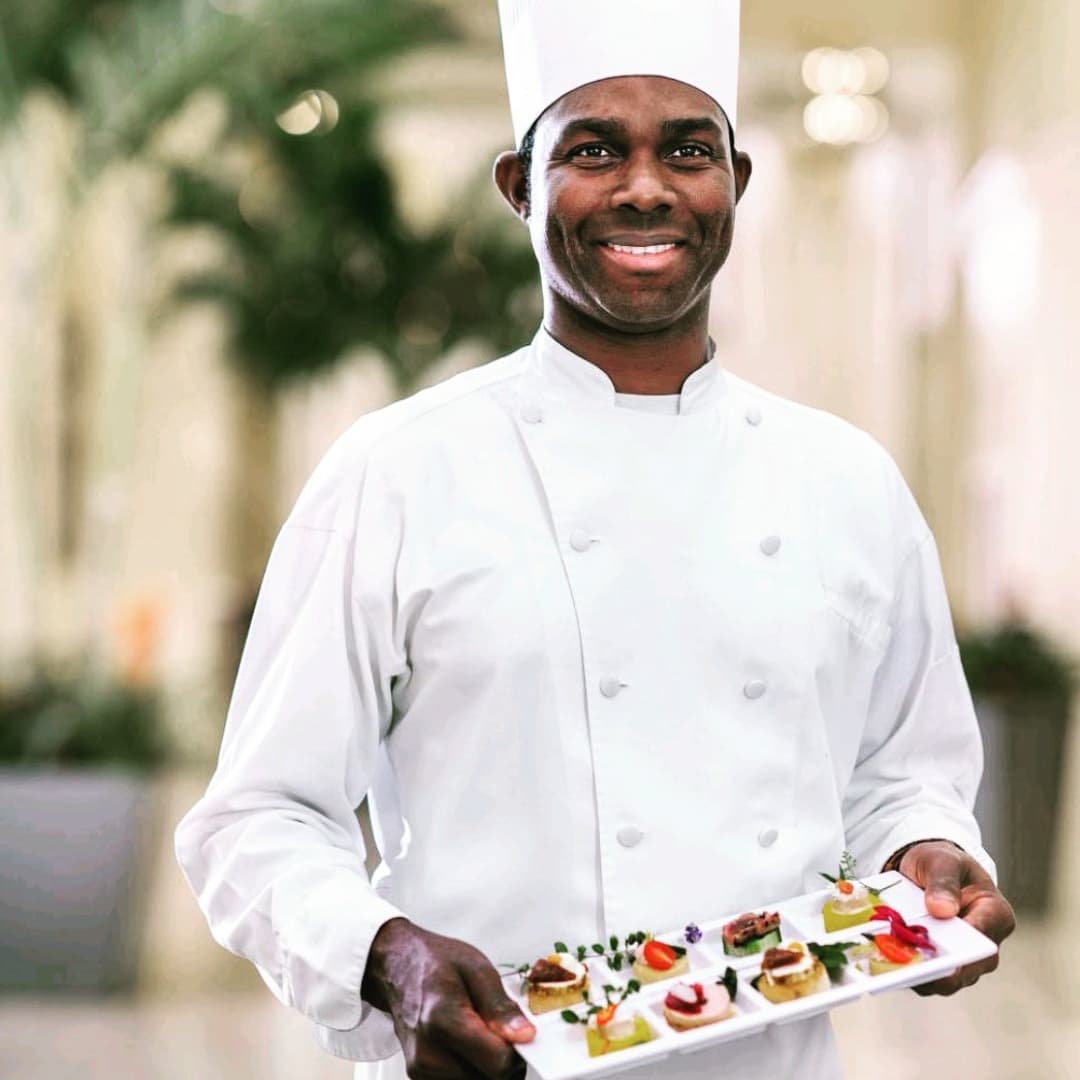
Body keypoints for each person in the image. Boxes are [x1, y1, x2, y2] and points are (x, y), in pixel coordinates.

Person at [175, 2, 1015, 1077]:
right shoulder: (396, 472)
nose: (647, 187)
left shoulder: (847, 481)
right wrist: (387, 957)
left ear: (736, 185)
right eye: (593, 149)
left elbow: (904, 775)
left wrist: (931, 858)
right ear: (520, 188)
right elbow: (255, 817)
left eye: (688, 150)